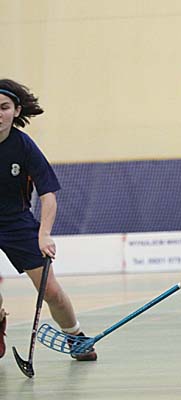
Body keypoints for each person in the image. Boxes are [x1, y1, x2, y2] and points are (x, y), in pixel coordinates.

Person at [0, 79, 96, 361]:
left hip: (17, 223)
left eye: (4, 107)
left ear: (16, 111)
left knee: (51, 291)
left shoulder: (24, 146)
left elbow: (48, 194)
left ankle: (75, 337)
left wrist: (44, 234)